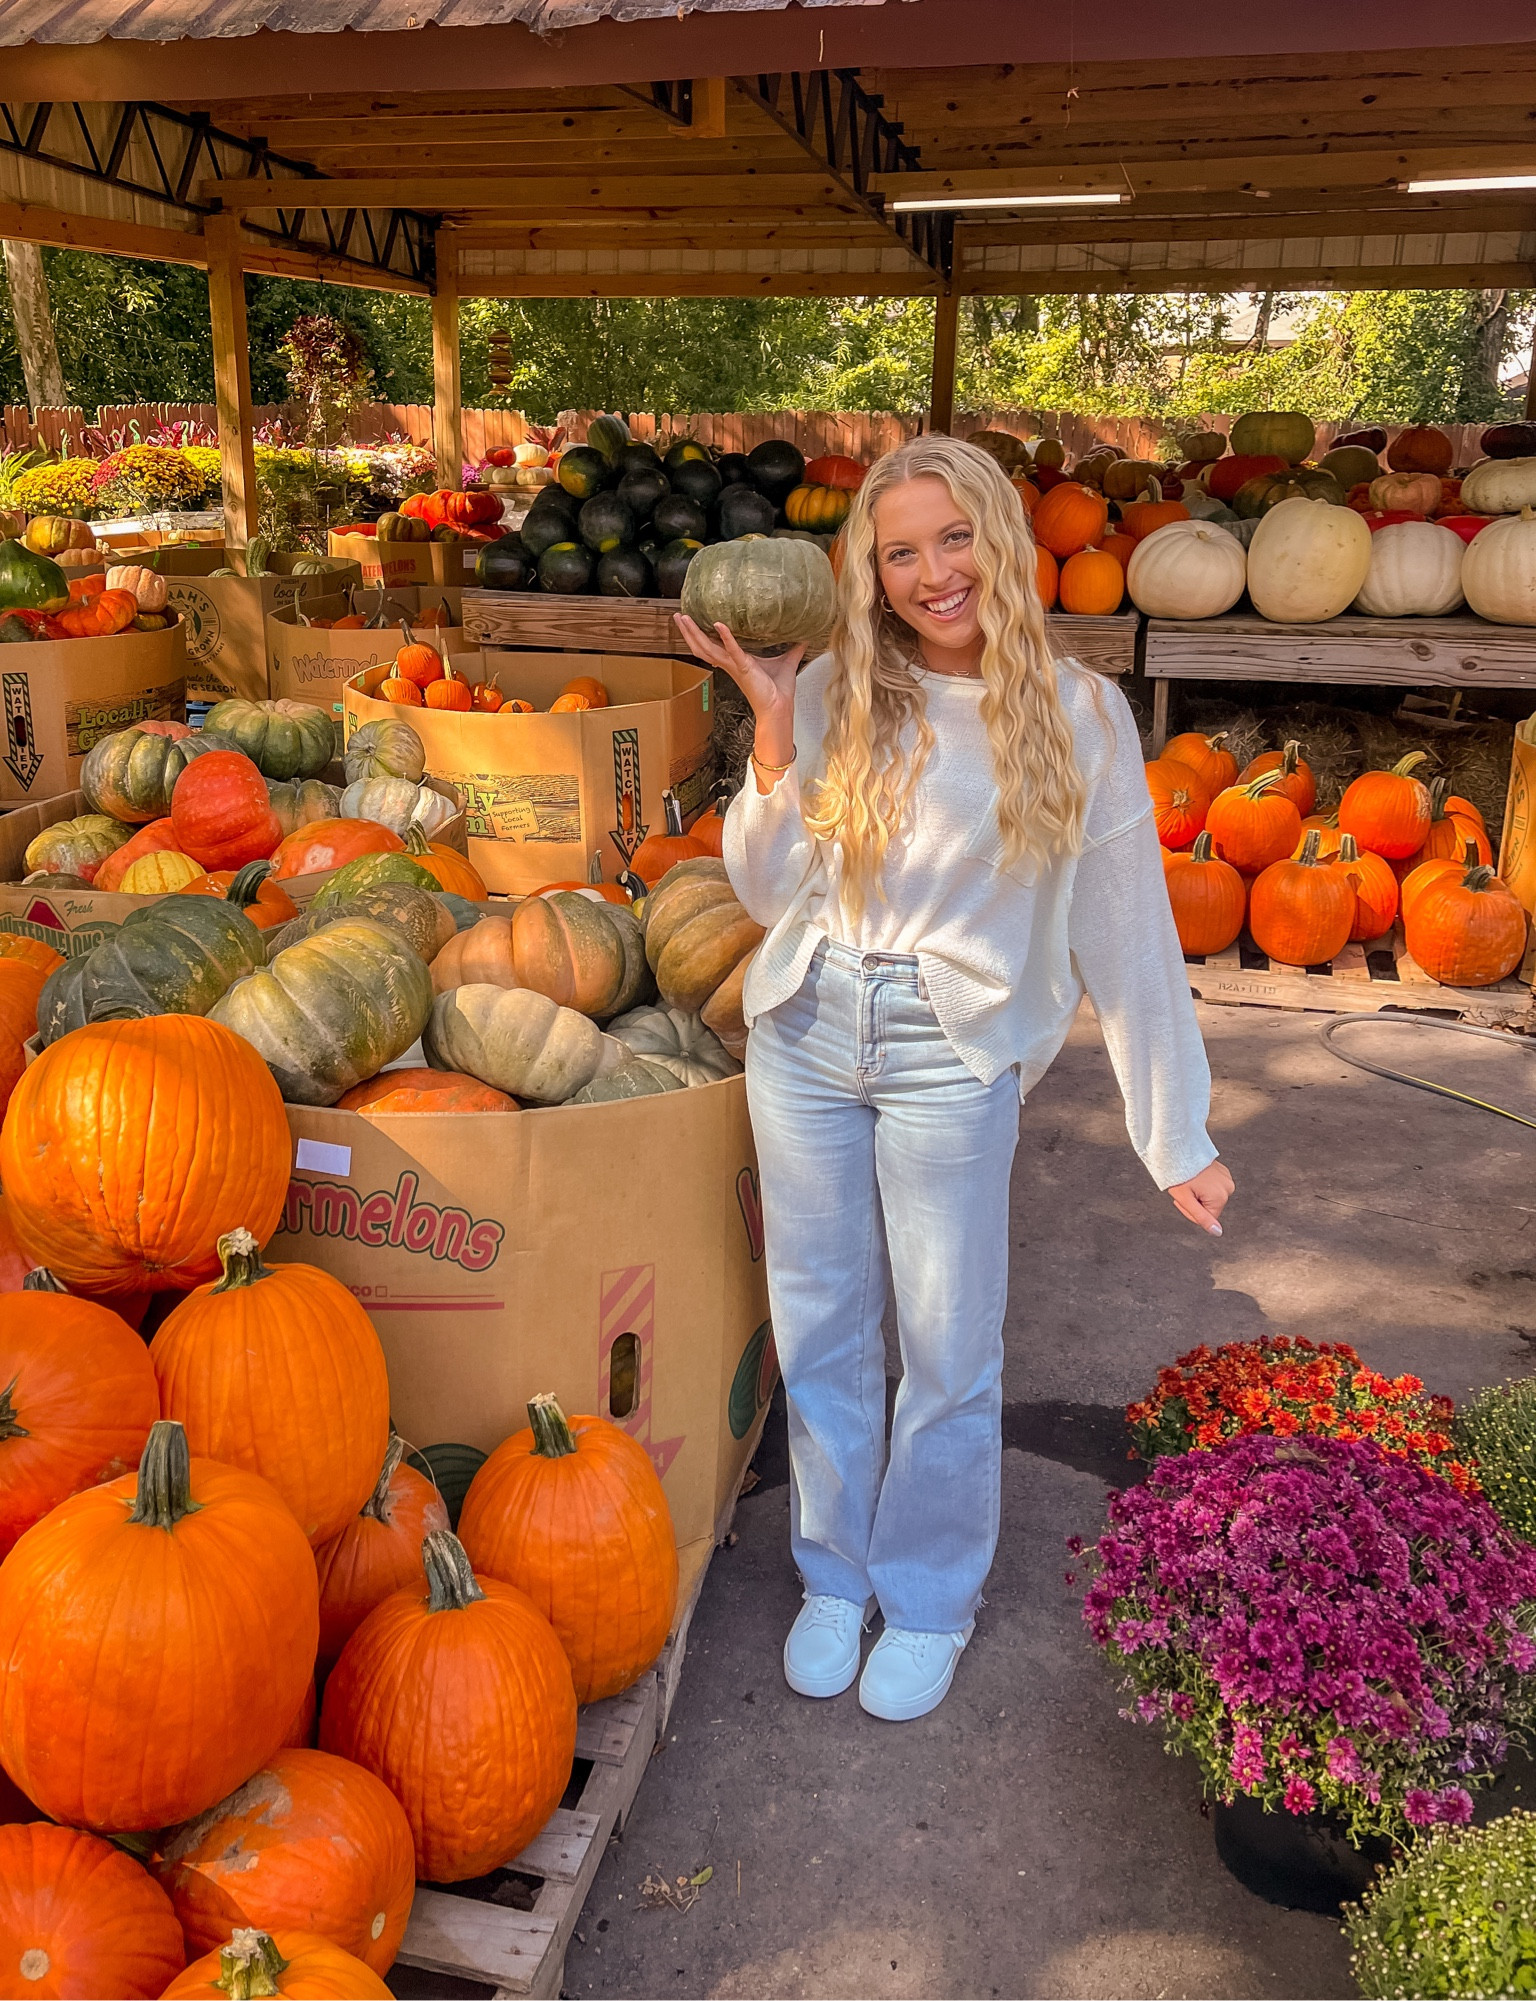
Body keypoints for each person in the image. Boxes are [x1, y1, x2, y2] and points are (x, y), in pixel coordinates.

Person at [675, 434, 1232, 1724]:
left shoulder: (1077, 715)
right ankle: (835, 1571)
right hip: (808, 1026)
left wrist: (1175, 1130)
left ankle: (928, 1592)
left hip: (949, 1048)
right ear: (870, 572)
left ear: (1001, 539)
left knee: (946, 1344)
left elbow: (1128, 930)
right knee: (817, 1326)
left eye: (955, 538)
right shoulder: (833, 693)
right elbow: (764, 891)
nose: (933, 574)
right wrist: (768, 727)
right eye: (900, 551)